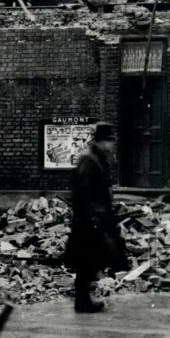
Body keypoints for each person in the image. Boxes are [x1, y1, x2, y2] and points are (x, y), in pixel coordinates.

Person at [65, 123, 128, 313]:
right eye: (111, 141)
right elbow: (83, 194)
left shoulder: (96, 157)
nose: (112, 145)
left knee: (90, 260)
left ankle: (84, 300)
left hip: (94, 218)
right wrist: (93, 218)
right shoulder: (89, 159)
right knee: (87, 261)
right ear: (103, 141)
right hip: (90, 220)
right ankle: (82, 302)